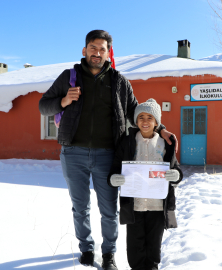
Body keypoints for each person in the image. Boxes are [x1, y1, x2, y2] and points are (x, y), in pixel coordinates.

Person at [38, 30, 176, 270]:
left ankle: (109, 254)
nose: (97, 53)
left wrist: (161, 128)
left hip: (107, 155)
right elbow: (43, 106)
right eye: (93, 48)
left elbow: (136, 113)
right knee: (80, 207)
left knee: (109, 209)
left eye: (102, 49)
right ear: (85, 50)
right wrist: (63, 101)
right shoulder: (68, 77)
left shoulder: (120, 82)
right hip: (73, 153)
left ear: (108, 53)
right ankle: (86, 250)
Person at [107, 99, 183, 270]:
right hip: (134, 206)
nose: (145, 121)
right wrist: (114, 179)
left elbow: (176, 169)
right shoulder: (127, 142)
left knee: (153, 248)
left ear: (157, 122)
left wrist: (175, 175)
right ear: (135, 121)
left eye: (150, 117)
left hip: (158, 207)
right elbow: (115, 168)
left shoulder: (166, 143)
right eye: (141, 117)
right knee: (135, 249)